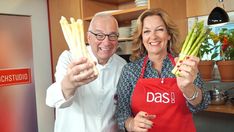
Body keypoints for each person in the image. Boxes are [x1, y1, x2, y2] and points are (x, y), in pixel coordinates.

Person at [115, 8, 210, 132]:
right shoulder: (130, 71)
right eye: (147, 31)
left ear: (169, 34)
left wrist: (187, 87)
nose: (153, 36)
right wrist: (131, 124)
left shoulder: (184, 64)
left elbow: (201, 104)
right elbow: (121, 114)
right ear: (141, 37)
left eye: (159, 30)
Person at [46, 12, 126, 132]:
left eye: (112, 35)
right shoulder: (69, 58)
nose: (106, 42)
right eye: (99, 35)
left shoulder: (122, 65)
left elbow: (122, 109)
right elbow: (52, 100)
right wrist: (69, 84)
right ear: (89, 37)